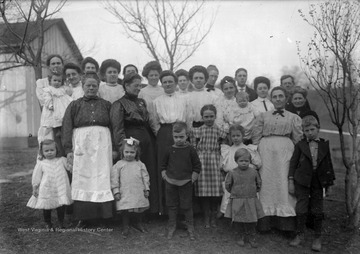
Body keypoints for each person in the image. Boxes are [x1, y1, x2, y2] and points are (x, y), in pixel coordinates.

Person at [62, 71, 114, 228]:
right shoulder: (74, 105)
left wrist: (116, 148)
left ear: (98, 87)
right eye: (88, 85)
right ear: (83, 86)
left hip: (103, 143)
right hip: (82, 143)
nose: (91, 88)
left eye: (94, 85)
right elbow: (66, 127)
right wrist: (68, 150)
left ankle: (103, 217)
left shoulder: (106, 104)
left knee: (102, 177)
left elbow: (114, 126)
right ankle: (84, 217)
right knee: (84, 177)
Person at [252, 86, 303, 232]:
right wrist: (256, 154)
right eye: (275, 96)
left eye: (281, 96)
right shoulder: (263, 116)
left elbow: (297, 139)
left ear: (286, 99)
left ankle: (284, 223)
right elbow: (256, 136)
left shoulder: (293, 117)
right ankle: (265, 222)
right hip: (266, 151)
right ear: (271, 99)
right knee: (266, 183)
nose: (278, 99)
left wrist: (294, 155)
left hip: (285, 152)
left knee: (282, 183)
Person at [110, 73, 159, 214]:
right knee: (131, 176)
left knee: (146, 174)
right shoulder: (118, 104)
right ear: (126, 86)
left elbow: (149, 122)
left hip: (146, 140)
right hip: (131, 143)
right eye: (135, 85)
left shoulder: (142, 102)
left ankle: (149, 210)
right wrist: (125, 147)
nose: (138, 88)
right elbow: (117, 128)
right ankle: (130, 212)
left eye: (140, 85)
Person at [288, 112, 335, 252]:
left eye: (312, 130)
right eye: (306, 130)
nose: (310, 133)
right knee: (301, 208)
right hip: (302, 181)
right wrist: (291, 181)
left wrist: (329, 184)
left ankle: (317, 237)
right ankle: (299, 234)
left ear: (318, 128)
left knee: (317, 209)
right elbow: (293, 163)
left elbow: (328, 164)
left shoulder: (324, 145)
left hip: (318, 181)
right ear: (303, 131)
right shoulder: (300, 145)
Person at [153, 70, 190, 212]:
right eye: (165, 82)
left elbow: (188, 119)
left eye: (170, 81)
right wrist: (164, 134)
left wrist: (184, 134)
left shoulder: (184, 100)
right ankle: (166, 209)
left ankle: (182, 210)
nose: (168, 84)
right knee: (165, 167)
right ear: (161, 84)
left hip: (180, 131)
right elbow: (154, 122)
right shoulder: (156, 101)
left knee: (180, 167)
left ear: (175, 83)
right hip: (164, 134)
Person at [161, 122, 201, 240]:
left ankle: (190, 226)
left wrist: (193, 177)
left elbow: (197, 166)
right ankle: (172, 225)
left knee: (187, 205)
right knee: (172, 205)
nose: (178, 139)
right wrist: (164, 175)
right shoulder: (169, 150)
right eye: (176, 137)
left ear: (187, 135)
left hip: (186, 182)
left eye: (181, 137)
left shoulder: (190, 150)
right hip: (170, 182)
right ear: (172, 136)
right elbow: (163, 165)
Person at [190, 104, 227, 228]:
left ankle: (213, 216)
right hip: (202, 162)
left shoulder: (220, 131)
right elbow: (194, 148)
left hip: (215, 160)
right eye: (206, 116)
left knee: (215, 191)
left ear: (215, 116)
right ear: (202, 117)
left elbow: (224, 145)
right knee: (204, 191)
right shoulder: (197, 131)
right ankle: (206, 217)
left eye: (211, 116)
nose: (209, 119)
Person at [27, 139, 72, 231]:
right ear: (42, 152)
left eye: (52, 150)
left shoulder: (62, 160)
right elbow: (36, 176)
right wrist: (35, 186)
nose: (49, 153)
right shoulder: (41, 163)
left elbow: (70, 167)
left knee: (61, 205)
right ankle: (48, 223)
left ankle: (61, 222)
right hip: (47, 188)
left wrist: (72, 163)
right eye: (46, 151)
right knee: (47, 207)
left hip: (61, 186)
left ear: (56, 150)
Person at [225, 148, 265, 248]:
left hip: (250, 199)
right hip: (237, 199)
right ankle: (240, 236)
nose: (244, 163)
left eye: (246, 161)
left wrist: (252, 192)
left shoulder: (254, 172)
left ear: (250, 161)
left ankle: (251, 237)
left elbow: (259, 184)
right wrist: (235, 193)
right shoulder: (232, 173)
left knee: (251, 219)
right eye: (241, 161)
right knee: (238, 219)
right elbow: (228, 185)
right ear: (236, 161)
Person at [111, 138, 150, 238]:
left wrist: (146, 189)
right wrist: (116, 191)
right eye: (126, 152)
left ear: (136, 153)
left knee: (138, 207)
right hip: (125, 191)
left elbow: (146, 177)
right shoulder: (118, 165)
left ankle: (138, 223)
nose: (129, 154)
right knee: (125, 209)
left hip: (137, 190)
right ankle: (125, 225)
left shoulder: (140, 164)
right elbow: (114, 179)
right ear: (122, 152)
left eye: (132, 152)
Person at [219, 124, 261, 217]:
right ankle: (232, 217)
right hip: (232, 178)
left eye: (238, 136)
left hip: (247, 179)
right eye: (233, 136)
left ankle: (247, 218)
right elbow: (222, 166)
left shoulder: (248, 149)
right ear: (230, 136)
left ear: (243, 136)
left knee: (246, 197)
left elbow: (258, 163)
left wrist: (248, 167)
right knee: (231, 196)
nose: (235, 138)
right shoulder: (227, 150)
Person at [38, 70, 72, 156]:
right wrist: (50, 105)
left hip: (63, 110)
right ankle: (57, 137)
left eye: (59, 81)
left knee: (65, 124)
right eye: (55, 80)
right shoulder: (48, 90)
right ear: (50, 81)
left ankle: (61, 133)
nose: (57, 83)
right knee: (54, 127)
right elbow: (47, 98)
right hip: (53, 110)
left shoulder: (62, 89)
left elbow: (69, 96)